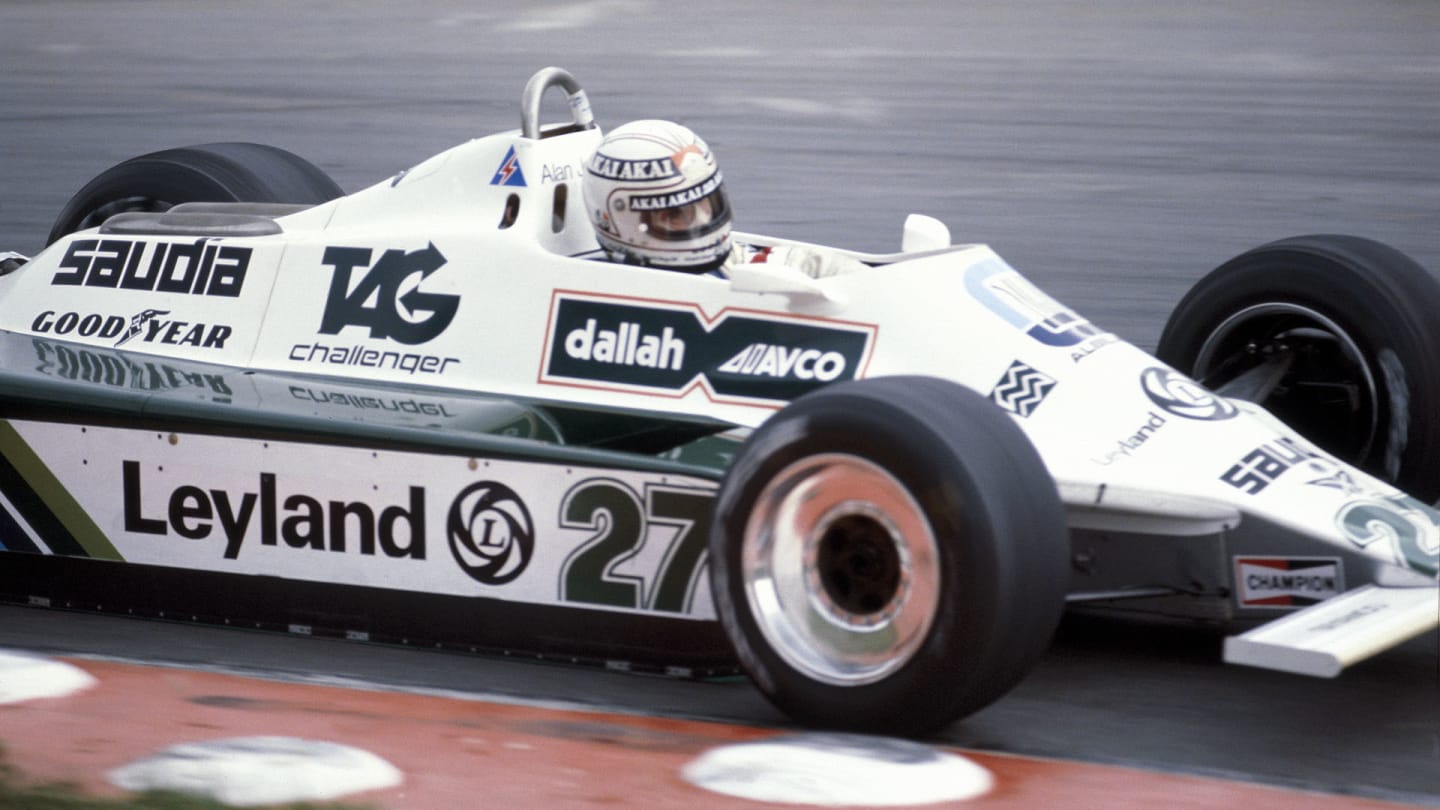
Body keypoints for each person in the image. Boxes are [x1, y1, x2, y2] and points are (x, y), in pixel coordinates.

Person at [581, 120, 867, 278]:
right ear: (619, 221)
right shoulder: (588, 287)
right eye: (675, 214)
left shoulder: (728, 265)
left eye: (706, 204)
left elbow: (799, 263)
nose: (703, 220)